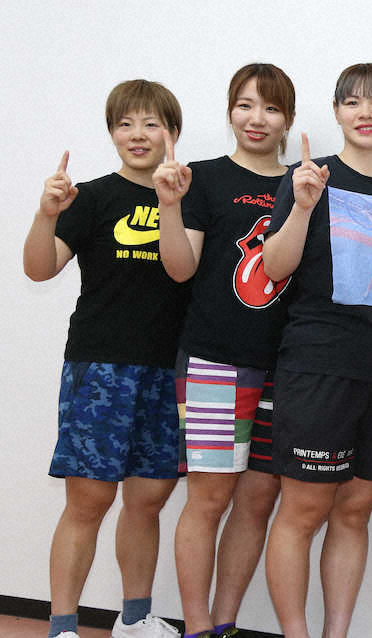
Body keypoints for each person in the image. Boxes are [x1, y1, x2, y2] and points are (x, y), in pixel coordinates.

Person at [261, 63, 372, 638]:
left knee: (355, 511)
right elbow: (273, 268)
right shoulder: (309, 178)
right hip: (317, 366)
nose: (365, 113)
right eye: (352, 102)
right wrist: (303, 206)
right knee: (303, 511)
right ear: (336, 112)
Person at [23, 80, 188, 638]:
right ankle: (62, 627)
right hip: (99, 367)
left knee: (147, 500)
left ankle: (135, 619)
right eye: (125, 124)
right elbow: (39, 269)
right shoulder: (91, 197)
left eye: (151, 123)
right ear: (112, 132)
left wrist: (172, 202)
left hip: (166, 369)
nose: (137, 135)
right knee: (88, 499)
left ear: (173, 132)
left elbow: (185, 271)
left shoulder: (187, 196)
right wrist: (46, 214)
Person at [153, 63, 295, 638]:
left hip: (289, 366)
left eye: (271, 108)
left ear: (288, 118)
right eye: (245, 105)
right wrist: (168, 205)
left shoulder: (306, 183)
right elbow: (179, 268)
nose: (256, 119)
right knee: (209, 498)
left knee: (258, 500)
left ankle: (226, 623)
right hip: (215, 359)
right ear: (230, 111)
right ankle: (196, 626)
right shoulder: (204, 178)